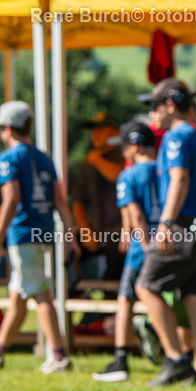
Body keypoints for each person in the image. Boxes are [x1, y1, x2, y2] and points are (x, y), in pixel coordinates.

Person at [135, 79, 196, 386]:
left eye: (154, 106)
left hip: (185, 225)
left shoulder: (177, 136)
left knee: (146, 286)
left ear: (170, 105)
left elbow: (179, 178)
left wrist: (165, 224)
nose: (151, 114)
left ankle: (176, 359)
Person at [0, 102, 81, 372]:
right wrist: (70, 236)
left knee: (41, 294)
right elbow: (60, 201)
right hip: (43, 232)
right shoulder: (45, 157)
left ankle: (58, 355)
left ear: (8, 129)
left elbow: (11, 200)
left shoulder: (8, 158)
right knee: (18, 298)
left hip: (22, 232)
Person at [93, 121, 160, 382]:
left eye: (123, 146)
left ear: (134, 146)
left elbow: (136, 214)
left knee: (125, 299)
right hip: (168, 242)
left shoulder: (128, 175)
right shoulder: (165, 169)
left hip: (142, 247)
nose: (122, 152)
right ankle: (176, 351)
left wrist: (143, 246)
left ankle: (121, 358)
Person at [72, 111, 125, 280]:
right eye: (93, 130)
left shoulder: (125, 154)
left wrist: (98, 161)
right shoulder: (89, 162)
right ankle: (75, 291)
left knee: (114, 276)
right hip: (96, 229)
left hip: (122, 232)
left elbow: (120, 175)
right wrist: (85, 230)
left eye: (100, 129)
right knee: (67, 251)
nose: (95, 134)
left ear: (115, 132)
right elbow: (78, 201)